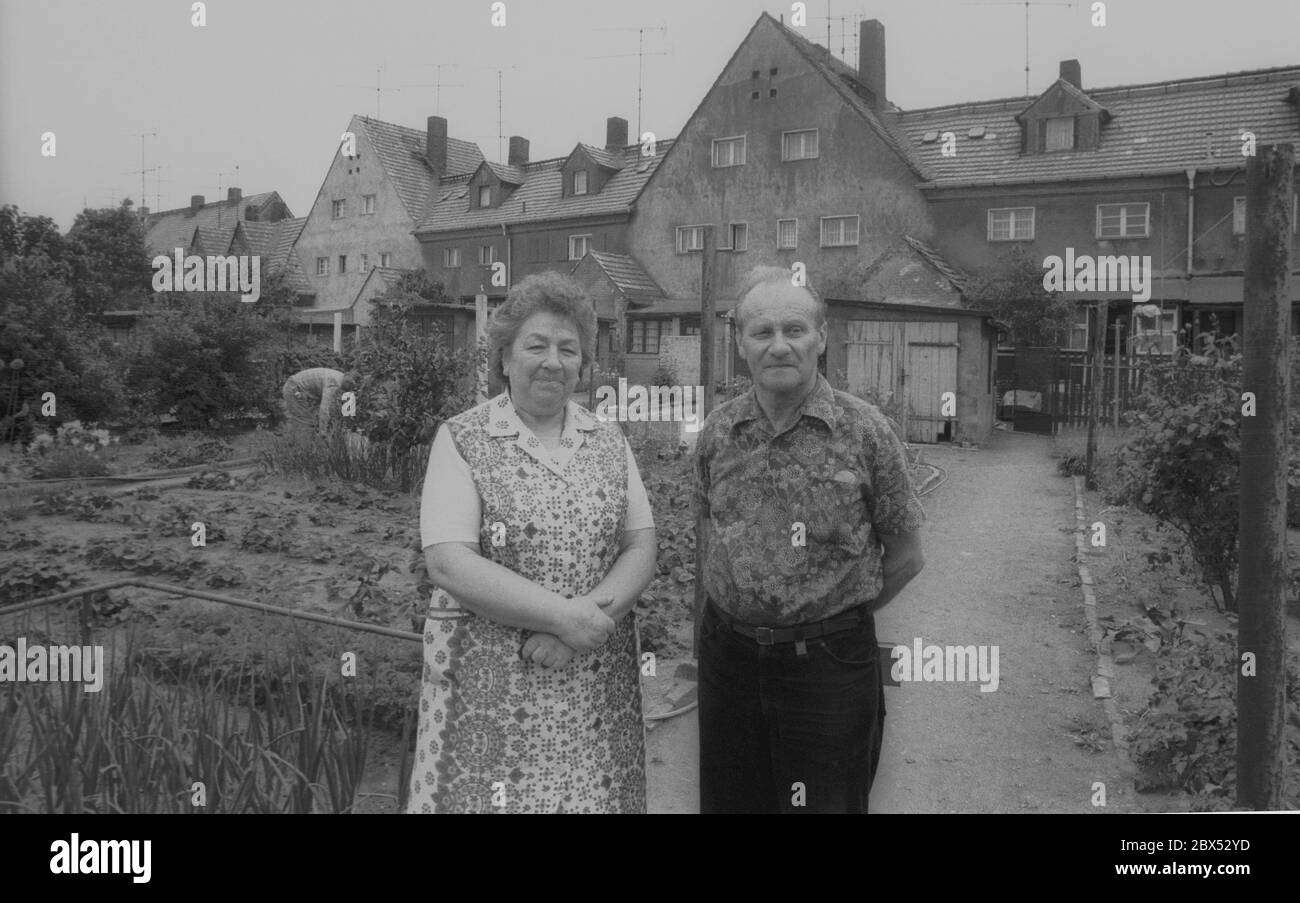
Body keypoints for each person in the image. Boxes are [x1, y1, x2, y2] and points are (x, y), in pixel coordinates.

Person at [408, 271, 657, 814]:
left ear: (583, 364)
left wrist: (579, 626)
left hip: (593, 684)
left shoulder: (608, 439)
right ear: (504, 357)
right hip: (489, 689)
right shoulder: (463, 438)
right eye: (536, 345)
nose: (553, 361)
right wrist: (563, 617)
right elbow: (448, 562)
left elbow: (641, 544)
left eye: (569, 349)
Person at [693, 266, 926, 814]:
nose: (779, 346)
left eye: (794, 330)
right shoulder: (717, 433)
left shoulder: (865, 431)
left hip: (828, 670)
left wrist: (829, 620)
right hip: (728, 662)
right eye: (762, 332)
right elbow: (709, 546)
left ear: (821, 337)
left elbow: (908, 555)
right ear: (740, 342)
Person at [280, 367, 357, 438]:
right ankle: (298, 446)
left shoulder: (340, 376)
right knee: (304, 423)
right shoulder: (334, 383)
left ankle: (296, 443)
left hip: (298, 389)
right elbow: (324, 409)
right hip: (294, 390)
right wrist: (323, 432)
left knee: (310, 422)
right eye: (350, 388)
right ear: (348, 383)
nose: (349, 390)